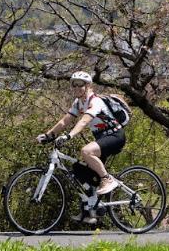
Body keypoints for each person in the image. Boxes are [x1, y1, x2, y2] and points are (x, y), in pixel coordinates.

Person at [36, 72, 126, 221]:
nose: (76, 87)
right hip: (102, 139)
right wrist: (48, 135)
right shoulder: (78, 103)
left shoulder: (95, 101)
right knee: (80, 170)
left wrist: (69, 136)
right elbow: (65, 121)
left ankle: (108, 179)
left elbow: (84, 121)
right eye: (74, 84)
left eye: (80, 84)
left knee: (86, 151)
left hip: (115, 136)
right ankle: (89, 211)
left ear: (88, 86)